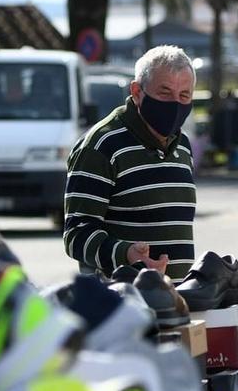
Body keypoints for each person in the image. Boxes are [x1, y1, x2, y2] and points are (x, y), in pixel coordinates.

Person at [63, 45, 198, 280]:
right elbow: (76, 235)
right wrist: (126, 254)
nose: (176, 104)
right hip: (120, 306)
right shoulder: (101, 145)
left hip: (174, 303)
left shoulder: (182, 145)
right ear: (137, 92)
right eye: (164, 93)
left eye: (184, 95)